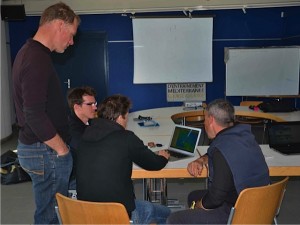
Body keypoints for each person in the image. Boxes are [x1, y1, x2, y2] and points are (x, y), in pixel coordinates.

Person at [12, 3, 80, 224]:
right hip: (45, 151)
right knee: (49, 216)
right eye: (71, 35)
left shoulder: (30, 53)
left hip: (40, 149)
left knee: (50, 212)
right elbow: (34, 114)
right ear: (60, 24)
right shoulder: (36, 59)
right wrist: (61, 150)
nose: (71, 42)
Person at [167, 99, 270, 224]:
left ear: (210, 120)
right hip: (264, 205)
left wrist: (200, 205)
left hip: (238, 212)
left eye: (205, 119)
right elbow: (219, 154)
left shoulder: (220, 149)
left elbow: (216, 199)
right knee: (193, 196)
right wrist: (201, 160)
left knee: (175, 219)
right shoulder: (244, 135)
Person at [76, 94, 171, 224]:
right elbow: (153, 164)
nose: (127, 121)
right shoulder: (126, 138)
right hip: (118, 215)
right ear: (121, 117)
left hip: (87, 213)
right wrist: (163, 157)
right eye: (127, 116)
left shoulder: (85, 134)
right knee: (165, 213)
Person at [66, 86, 97, 189]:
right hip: (77, 180)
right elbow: (90, 153)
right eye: (89, 104)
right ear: (77, 107)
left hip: (87, 171)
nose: (95, 108)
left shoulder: (89, 121)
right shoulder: (73, 130)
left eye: (95, 103)